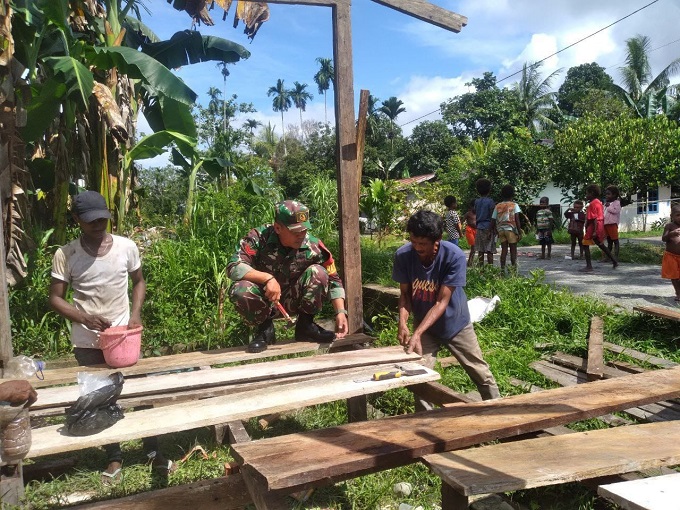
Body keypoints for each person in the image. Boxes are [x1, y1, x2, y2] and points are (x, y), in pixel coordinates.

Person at [48, 190, 173, 483]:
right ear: (77, 220)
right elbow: (55, 299)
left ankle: (153, 451)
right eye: (91, 220)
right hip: (88, 339)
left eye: (103, 218)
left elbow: (139, 281)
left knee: (141, 393)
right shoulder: (67, 255)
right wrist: (84, 318)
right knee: (98, 398)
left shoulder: (126, 247)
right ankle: (114, 456)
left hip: (124, 335)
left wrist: (136, 313)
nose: (98, 224)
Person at [392, 210, 500, 411]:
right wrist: (403, 323)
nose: (417, 248)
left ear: (437, 240)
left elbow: (442, 302)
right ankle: (426, 423)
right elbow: (405, 295)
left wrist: (417, 332)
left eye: (422, 244)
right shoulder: (403, 255)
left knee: (480, 373)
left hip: (455, 323)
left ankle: (498, 413)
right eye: (413, 242)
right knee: (419, 377)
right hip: (424, 326)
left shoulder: (454, 256)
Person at [228, 200, 348, 353]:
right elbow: (233, 266)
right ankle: (265, 330)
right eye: (295, 231)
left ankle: (306, 326)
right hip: (266, 301)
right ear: (278, 227)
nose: (301, 236)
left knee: (319, 272)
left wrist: (340, 312)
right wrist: (267, 278)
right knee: (240, 290)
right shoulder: (258, 238)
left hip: (294, 300)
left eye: (304, 230)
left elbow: (334, 279)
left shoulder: (313, 245)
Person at [581, 184, 618, 272]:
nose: (586, 195)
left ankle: (589, 266)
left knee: (585, 244)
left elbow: (594, 218)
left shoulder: (593, 203)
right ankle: (614, 261)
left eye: (587, 193)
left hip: (594, 226)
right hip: (599, 225)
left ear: (592, 193)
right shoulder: (598, 202)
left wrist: (593, 230)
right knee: (600, 244)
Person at [490, 184, 522, 271]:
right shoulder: (514, 205)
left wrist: (493, 230)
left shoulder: (498, 206)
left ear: (502, 194)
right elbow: (517, 219)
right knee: (513, 250)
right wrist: (519, 231)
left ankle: (502, 269)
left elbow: (493, 219)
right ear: (513, 194)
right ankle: (513, 269)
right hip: (510, 230)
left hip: (501, 230)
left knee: (504, 250)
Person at [474, 179, 496, 266]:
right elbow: (492, 216)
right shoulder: (490, 201)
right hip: (488, 227)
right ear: (489, 189)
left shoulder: (476, 202)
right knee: (489, 250)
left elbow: (476, 213)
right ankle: (491, 270)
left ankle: (481, 270)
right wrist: (492, 229)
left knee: (480, 250)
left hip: (479, 227)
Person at [661, 203, 680, 301]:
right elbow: (664, 238)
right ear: (671, 216)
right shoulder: (669, 226)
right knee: (674, 276)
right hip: (671, 256)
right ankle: (678, 293)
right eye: (678, 215)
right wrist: (671, 234)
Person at [603, 185, 622, 261]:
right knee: (609, 241)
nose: (606, 196)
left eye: (608, 194)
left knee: (615, 241)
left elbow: (615, 211)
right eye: (606, 194)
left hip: (612, 224)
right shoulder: (606, 203)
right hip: (606, 224)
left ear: (614, 195)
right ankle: (608, 257)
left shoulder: (617, 203)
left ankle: (616, 257)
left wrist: (608, 207)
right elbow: (604, 212)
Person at [463, 199, 477, 268]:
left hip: (476, 230)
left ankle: (470, 262)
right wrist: (461, 231)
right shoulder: (468, 213)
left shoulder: (479, 213)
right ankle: (470, 262)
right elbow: (462, 221)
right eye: (474, 206)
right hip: (469, 230)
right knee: (473, 247)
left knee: (474, 248)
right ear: (471, 207)